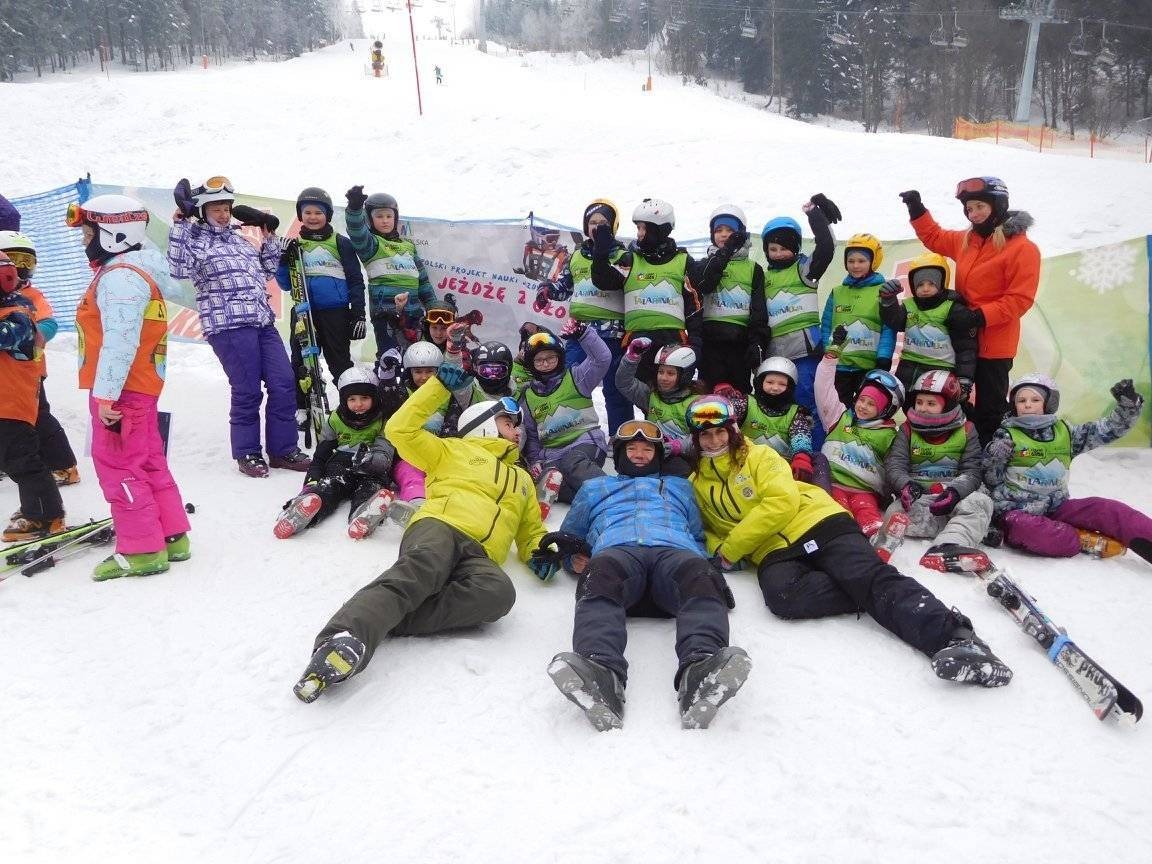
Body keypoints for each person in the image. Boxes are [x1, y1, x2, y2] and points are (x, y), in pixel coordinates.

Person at [684, 394, 1012, 687]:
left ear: (732, 431)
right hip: (773, 551)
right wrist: (718, 552)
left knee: (867, 577)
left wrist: (731, 549)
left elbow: (780, 503)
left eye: (720, 431)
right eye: (706, 434)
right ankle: (866, 586)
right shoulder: (697, 483)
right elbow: (711, 530)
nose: (714, 440)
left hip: (816, 522)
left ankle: (955, 638)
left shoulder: (760, 457)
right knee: (784, 598)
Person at [292, 371, 548, 703]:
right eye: (509, 423)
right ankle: (345, 636)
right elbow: (400, 430)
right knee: (420, 571)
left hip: (480, 556)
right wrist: (438, 386)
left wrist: (547, 551)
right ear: (484, 423)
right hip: (440, 525)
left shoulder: (523, 480)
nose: (518, 431)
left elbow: (531, 535)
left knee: (498, 594)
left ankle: (378, 616)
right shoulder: (450, 450)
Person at [544, 419, 750, 731]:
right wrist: (572, 558)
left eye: (647, 448)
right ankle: (600, 671)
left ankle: (701, 671)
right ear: (620, 453)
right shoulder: (594, 488)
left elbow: (695, 536)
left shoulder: (681, 487)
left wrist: (708, 567)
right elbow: (569, 536)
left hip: (673, 555)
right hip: (620, 553)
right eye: (632, 448)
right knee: (602, 570)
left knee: (697, 572)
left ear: (658, 454)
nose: (640, 453)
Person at [67, 195, 192, 580]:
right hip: (140, 388)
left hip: (121, 393)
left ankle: (141, 550)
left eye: (89, 232)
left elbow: (120, 339)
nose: (84, 240)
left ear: (113, 234)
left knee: (119, 466)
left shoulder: (119, 277)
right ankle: (172, 536)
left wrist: (105, 394)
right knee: (148, 459)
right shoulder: (137, 270)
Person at [168, 175, 310, 478]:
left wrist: (269, 237)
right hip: (228, 325)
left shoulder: (239, 239)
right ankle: (247, 452)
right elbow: (178, 269)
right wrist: (180, 223)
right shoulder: (193, 239)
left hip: (261, 321)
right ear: (203, 210)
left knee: (284, 382)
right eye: (216, 209)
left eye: (226, 208)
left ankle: (283, 450)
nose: (223, 214)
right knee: (247, 389)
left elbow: (266, 270)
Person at [899, 177, 1040, 446]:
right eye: (969, 209)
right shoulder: (968, 240)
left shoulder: (1022, 249)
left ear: (997, 206)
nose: (974, 214)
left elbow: (1020, 299)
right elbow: (935, 237)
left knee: (989, 407)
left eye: (979, 207)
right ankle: (955, 452)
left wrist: (979, 316)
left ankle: (988, 457)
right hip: (960, 341)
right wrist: (917, 210)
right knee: (954, 400)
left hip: (993, 344)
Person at [982, 374, 1152, 565]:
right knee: (1027, 529)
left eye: (1035, 399)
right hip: (1016, 511)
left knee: (1107, 509)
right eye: (1021, 400)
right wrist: (993, 456)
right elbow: (990, 480)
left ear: (1049, 402)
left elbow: (1106, 430)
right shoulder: (1007, 435)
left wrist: (1128, 408)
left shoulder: (1066, 433)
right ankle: (1079, 538)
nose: (1027, 405)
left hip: (1056, 506)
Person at [536, 199, 633, 434]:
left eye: (603, 223)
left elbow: (621, 284)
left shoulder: (623, 255)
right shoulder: (576, 256)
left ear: (613, 226)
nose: (597, 227)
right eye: (592, 222)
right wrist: (547, 289)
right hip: (578, 333)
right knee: (570, 382)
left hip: (612, 333)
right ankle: (571, 433)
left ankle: (621, 436)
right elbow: (565, 286)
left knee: (614, 388)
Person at [274, 366, 399, 541]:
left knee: (370, 487)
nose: (358, 404)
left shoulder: (383, 420)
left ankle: (364, 514)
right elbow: (321, 454)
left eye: (365, 398)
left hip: (371, 465)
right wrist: (311, 483)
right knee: (330, 486)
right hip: (341, 463)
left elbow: (385, 449)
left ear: (375, 398)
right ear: (344, 400)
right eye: (352, 399)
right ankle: (302, 511)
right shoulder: (335, 420)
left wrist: (373, 462)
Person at [882, 370, 993, 564]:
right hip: (920, 498)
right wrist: (905, 486)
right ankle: (964, 527)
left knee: (981, 503)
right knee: (893, 513)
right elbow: (895, 464)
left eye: (931, 403)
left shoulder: (966, 430)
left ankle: (948, 545)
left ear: (948, 405)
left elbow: (972, 471)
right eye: (919, 402)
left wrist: (955, 492)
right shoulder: (907, 430)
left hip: (952, 497)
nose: (923, 408)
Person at [275, 187, 367, 418]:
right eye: (307, 212)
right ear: (300, 215)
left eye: (318, 212)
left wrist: (358, 315)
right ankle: (303, 408)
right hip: (303, 313)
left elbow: (356, 280)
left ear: (327, 214)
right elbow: (286, 284)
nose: (313, 217)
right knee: (301, 361)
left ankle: (350, 405)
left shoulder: (341, 243)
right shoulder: (295, 245)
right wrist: (283, 261)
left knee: (339, 362)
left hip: (336, 313)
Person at [589, 198, 702, 385]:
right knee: (644, 398)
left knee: (669, 394)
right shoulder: (630, 260)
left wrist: (696, 342)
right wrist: (600, 253)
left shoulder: (682, 261)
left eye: (643, 228)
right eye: (638, 229)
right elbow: (603, 280)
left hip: (672, 340)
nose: (639, 234)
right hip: (637, 341)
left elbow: (694, 305)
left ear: (659, 230)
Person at [759, 193, 840, 448]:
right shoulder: (762, 278)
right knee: (779, 407)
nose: (779, 253)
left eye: (784, 248)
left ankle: (815, 455)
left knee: (809, 405)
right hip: (775, 356)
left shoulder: (805, 270)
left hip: (805, 352)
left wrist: (815, 215)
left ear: (795, 249)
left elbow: (826, 248)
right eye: (773, 249)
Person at [0, 230, 80, 485]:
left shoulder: (31, 296)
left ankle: (64, 465)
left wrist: (33, 334)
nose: (21, 270)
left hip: (26, 372)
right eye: (15, 261)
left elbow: (49, 323)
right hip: (5, 374)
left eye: (27, 263)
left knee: (38, 416)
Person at [0, 250, 66, 541]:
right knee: (11, 459)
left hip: (13, 402)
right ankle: (37, 507)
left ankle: (44, 515)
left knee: (22, 459)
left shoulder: (18, 311)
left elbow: (9, 337)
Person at [520, 321, 610, 504]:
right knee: (544, 478)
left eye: (550, 358)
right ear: (531, 364)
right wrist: (535, 461)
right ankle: (585, 499)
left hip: (585, 443)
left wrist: (584, 334)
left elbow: (602, 359)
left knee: (573, 463)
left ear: (560, 358)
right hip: (553, 454)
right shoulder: (528, 395)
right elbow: (531, 435)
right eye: (539, 360)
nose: (545, 364)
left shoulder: (577, 377)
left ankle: (612, 494)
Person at [343, 185, 435, 356]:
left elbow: (423, 281)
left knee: (416, 358)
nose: (385, 220)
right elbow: (357, 233)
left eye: (389, 216)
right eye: (379, 216)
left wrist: (433, 307)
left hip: (414, 315)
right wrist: (355, 210)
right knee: (390, 358)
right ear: (369, 219)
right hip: (386, 315)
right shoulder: (371, 244)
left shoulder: (408, 246)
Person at [816, 365, 905, 537]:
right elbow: (823, 388)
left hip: (865, 491)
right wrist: (829, 360)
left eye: (872, 404)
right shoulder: (839, 417)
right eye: (861, 400)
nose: (863, 406)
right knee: (838, 511)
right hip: (833, 484)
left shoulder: (889, 435)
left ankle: (877, 536)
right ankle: (843, 537)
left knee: (866, 512)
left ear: (886, 409)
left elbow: (896, 466)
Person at [691, 204, 768, 393]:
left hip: (739, 343)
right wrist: (725, 252)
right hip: (710, 342)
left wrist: (757, 342)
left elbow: (759, 311)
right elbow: (704, 283)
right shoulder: (704, 263)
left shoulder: (753, 269)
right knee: (709, 396)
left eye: (730, 230)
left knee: (738, 396)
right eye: (719, 230)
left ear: (741, 233)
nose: (724, 235)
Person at [878, 252, 978, 398]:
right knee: (910, 405)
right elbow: (894, 322)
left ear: (942, 282)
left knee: (936, 407)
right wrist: (888, 301)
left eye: (931, 284)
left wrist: (964, 379)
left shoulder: (954, 309)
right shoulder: (909, 305)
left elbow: (966, 348)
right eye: (920, 284)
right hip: (909, 368)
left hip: (941, 370)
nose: (925, 289)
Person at [821, 232, 896, 409]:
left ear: (873, 262)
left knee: (867, 410)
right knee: (837, 411)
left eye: (861, 261)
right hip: (840, 366)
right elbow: (825, 325)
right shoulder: (837, 292)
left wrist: (884, 357)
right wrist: (827, 351)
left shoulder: (883, 291)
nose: (855, 266)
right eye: (851, 261)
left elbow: (888, 328)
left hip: (868, 368)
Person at [615, 339, 701, 476]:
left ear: (685, 376)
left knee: (678, 468)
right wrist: (632, 357)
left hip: (681, 457)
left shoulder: (696, 403)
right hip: (652, 453)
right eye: (661, 372)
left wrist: (678, 446)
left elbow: (700, 437)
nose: (663, 378)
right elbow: (624, 384)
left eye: (670, 373)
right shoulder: (651, 395)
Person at [743, 356, 823, 487]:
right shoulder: (746, 403)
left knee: (819, 458)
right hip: (745, 463)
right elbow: (726, 416)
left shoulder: (795, 413)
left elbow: (800, 435)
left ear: (790, 387)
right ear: (760, 382)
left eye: (782, 384)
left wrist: (801, 456)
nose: (775, 388)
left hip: (779, 469)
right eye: (770, 382)